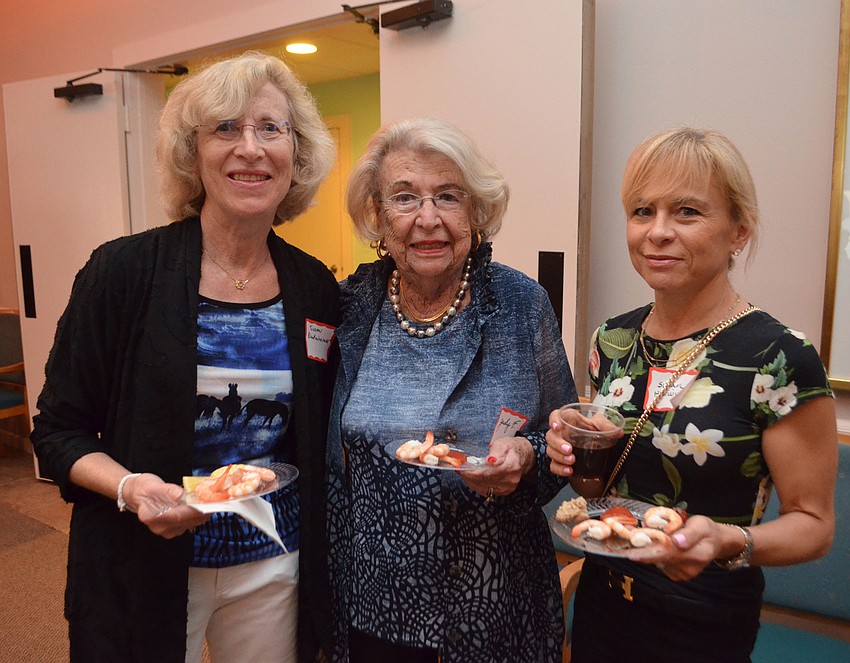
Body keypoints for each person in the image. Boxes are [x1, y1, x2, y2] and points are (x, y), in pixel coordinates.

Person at [30, 52, 340, 663]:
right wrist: (130, 488)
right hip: (146, 559)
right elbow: (58, 431)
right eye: (225, 128)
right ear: (191, 154)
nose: (250, 148)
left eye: (270, 128)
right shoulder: (122, 272)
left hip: (273, 562)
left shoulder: (314, 286)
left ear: (295, 154)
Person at [546, 127, 837, 662]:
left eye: (687, 212)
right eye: (642, 211)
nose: (657, 232)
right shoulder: (613, 340)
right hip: (602, 604)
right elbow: (601, 487)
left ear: (739, 231)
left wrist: (732, 542)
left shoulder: (778, 357)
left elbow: (814, 526)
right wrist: (575, 452)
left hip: (701, 620)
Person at [325, 117, 577, 663]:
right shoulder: (347, 307)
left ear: (475, 211)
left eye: (448, 196)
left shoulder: (521, 304)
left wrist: (527, 458)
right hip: (375, 603)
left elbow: (564, 440)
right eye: (404, 197)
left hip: (495, 597)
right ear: (377, 216)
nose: (428, 218)